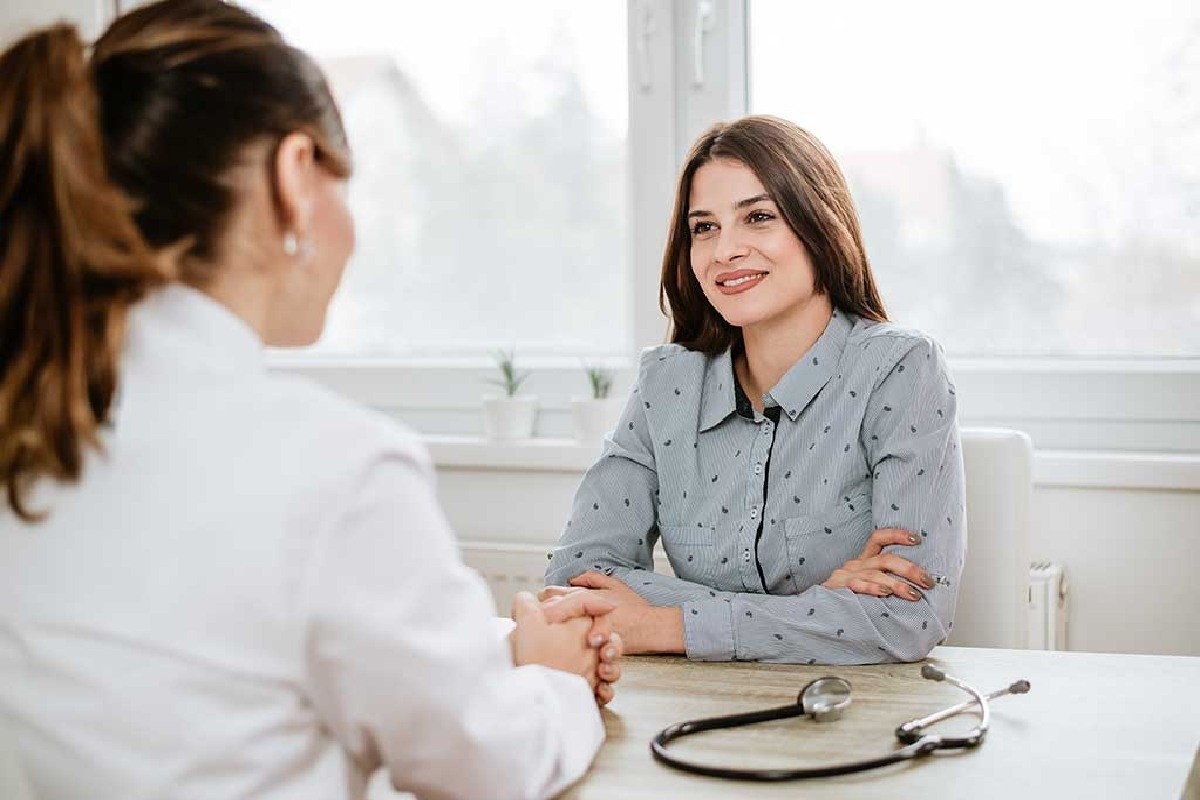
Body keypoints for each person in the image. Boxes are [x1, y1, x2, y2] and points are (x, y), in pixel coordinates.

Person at [0, 2, 621, 798]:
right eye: (344, 184)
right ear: (294, 177)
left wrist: (491, 656)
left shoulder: (37, 426)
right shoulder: (333, 468)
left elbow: (207, 670)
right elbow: (489, 767)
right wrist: (555, 682)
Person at [545, 115, 965, 665]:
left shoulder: (900, 370)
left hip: (855, 717)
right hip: (702, 708)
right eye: (705, 227)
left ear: (820, 225)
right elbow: (576, 579)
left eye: (759, 217)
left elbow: (910, 616)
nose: (725, 251)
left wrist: (664, 625)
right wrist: (815, 608)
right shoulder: (666, 385)